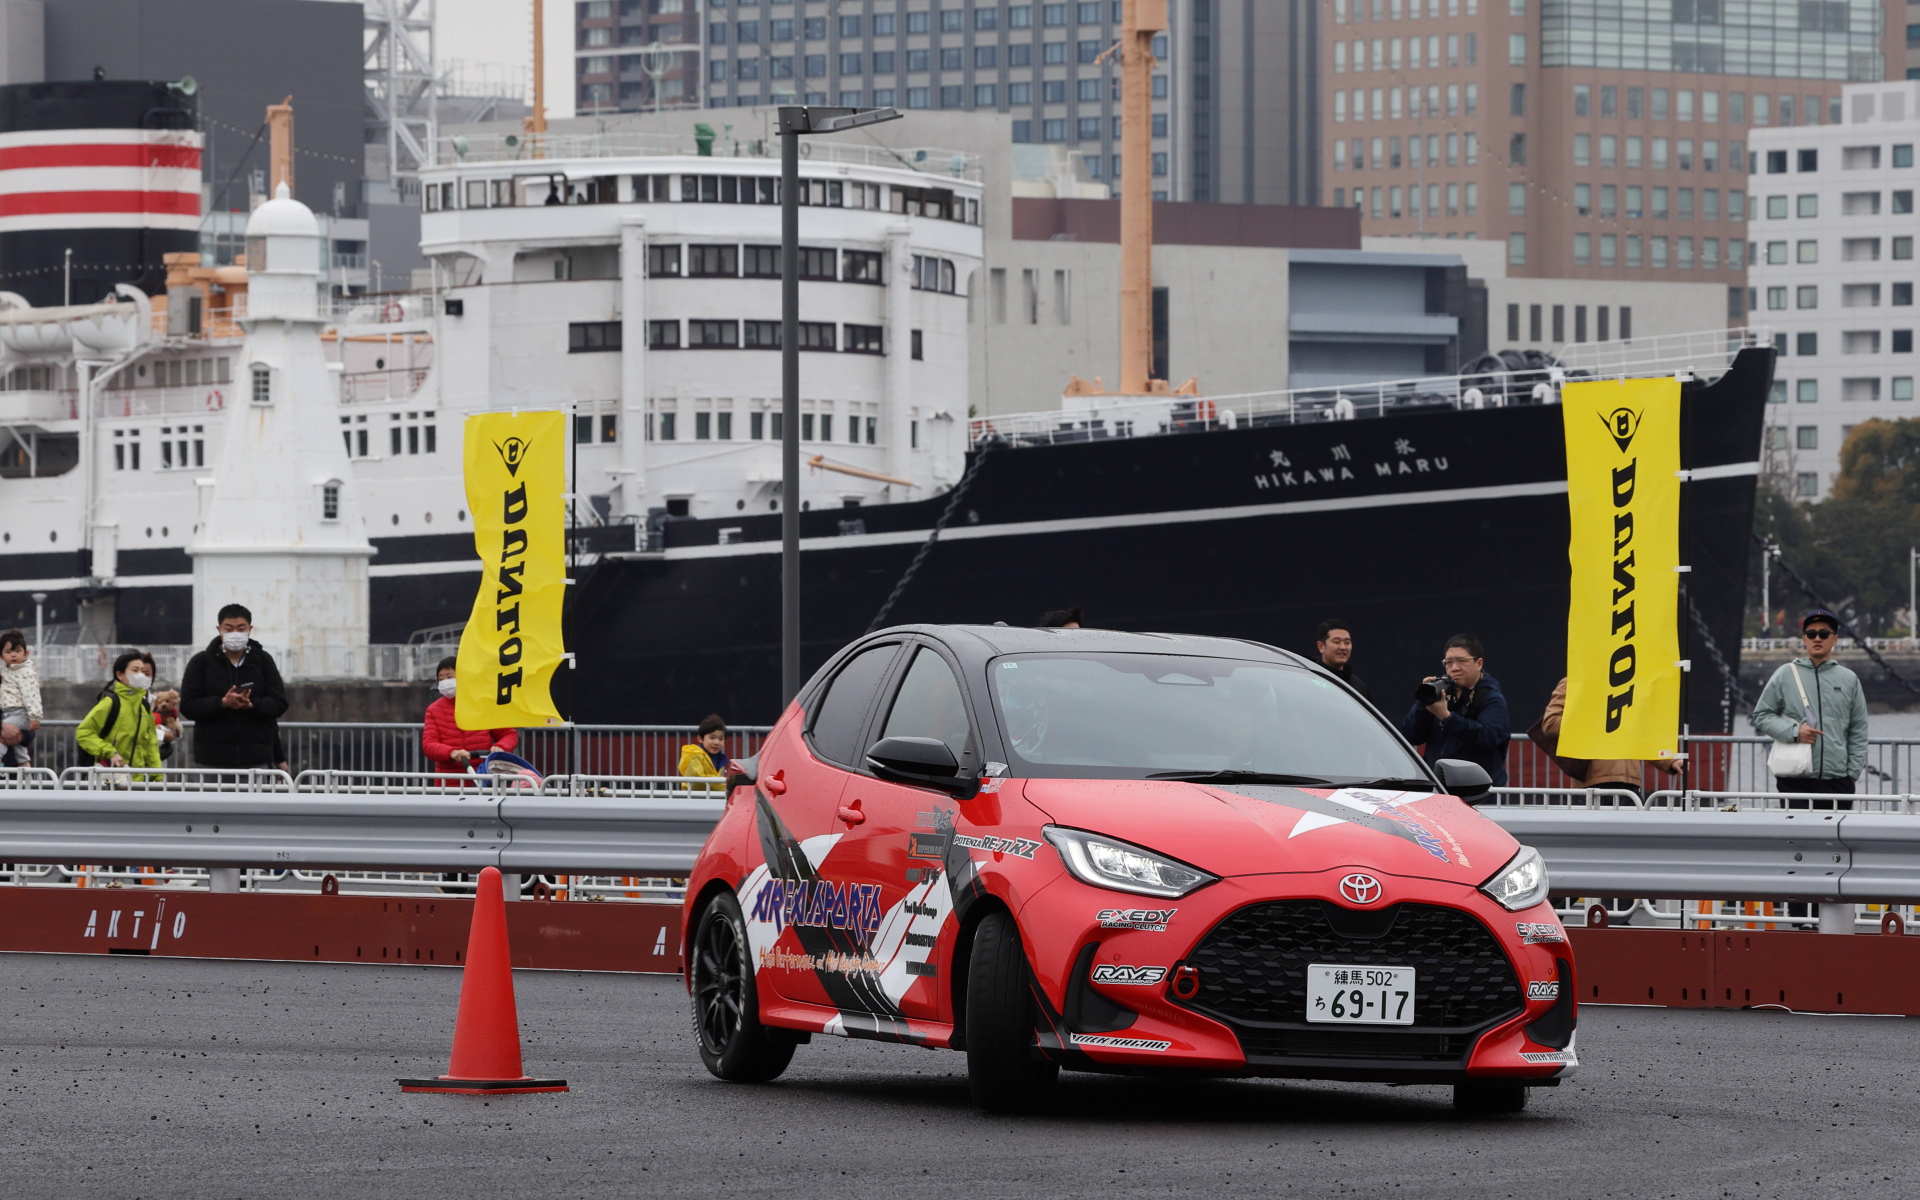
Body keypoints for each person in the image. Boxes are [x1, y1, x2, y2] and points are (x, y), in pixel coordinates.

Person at [1752, 608, 1869, 808]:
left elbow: (1858, 729)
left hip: (1838, 780)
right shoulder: (1785, 674)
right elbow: (1762, 715)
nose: (1817, 638)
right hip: (1795, 777)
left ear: (1835, 639)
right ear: (1804, 639)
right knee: (1797, 838)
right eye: (1811, 634)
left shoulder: (1849, 679)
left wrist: (1852, 774)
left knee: (1835, 838)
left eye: (1824, 634)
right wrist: (1795, 732)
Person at [179, 603, 290, 769]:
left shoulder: (263, 660)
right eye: (229, 629)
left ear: (250, 629)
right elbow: (188, 706)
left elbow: (279, 703)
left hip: (256, 759)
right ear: (219, 629)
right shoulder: (201, 662)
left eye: (241, 628)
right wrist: (222, 703)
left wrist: (252, 704)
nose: (235, 634)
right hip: (212, 759)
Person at [1535, 677, 1679, 802]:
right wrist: (1593, 723)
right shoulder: (1574, 682)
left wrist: (1669, 761)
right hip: (1592, 785)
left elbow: (1639, 733)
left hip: (1630, 785)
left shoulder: (1628, 686)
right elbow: (1550, 723)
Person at [1398, 634, 1512, 786]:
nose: (1454, 668)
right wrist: (1424, 701)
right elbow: (1410, 735)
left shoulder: (1492, 698)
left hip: (1478, 791)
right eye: (1448, 662)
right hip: (1439, 787)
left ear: (1478, 663)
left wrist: (1446, 717)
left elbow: (1487, 737)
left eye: (1462, 661)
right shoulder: (1442, 693)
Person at [421, 655, 519, 777]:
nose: (445, 682)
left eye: (449, 677)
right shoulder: (433, 710)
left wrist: (501, 746)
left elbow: (509, 734)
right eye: (441, 679)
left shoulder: (483, 704)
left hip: (483, 776)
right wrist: (451, 753)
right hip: (448, 780)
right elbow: (429, 745)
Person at [75, 651, 164, 773]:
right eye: (135, 670)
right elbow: (83, 732)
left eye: (143, 671)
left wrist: (157, 776)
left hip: (139, 780)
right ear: (120, 675)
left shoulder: (143, 706)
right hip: (112, 778)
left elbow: (151, 744)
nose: (141, 675)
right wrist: (110, 752)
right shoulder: (110, 703)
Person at [0, 628, 43, 768]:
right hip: (11, 714)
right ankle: (27, 773)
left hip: (17, 713)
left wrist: (34, 719)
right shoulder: (6, 673)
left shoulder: (25, 673)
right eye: (8, 652)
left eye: (17, 651)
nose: (13, 655)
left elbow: (32, 695)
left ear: (25, 653)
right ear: (1, 656)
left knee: (8, 739)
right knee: (15, 746)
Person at [1313, 618, 1370, 702]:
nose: (1343, 647)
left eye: (1347, 642)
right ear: (1321, 646)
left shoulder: (1359, 687)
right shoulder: (1310, 678)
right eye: (1337, 642)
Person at [677, 714, 730, 790]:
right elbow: (698, 780)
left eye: (721, 739)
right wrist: (727, 787)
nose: (716, 742)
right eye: (712, 738)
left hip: (709, 798)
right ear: (700, 739)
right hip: (693, 798)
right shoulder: (696, 755)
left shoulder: (720, 759)